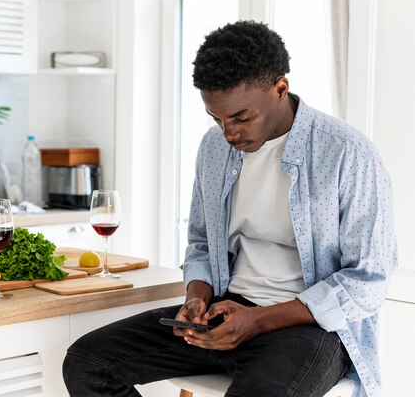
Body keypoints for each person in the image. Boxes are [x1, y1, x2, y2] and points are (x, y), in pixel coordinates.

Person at [62, 20, 397, 397]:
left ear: (280, 89)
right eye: (217, 118)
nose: (229, 133)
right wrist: (197, 299)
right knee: (87, 363)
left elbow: (368, 280)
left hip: (309, 327)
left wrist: (259, 320)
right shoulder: (214, 148)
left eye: (241, 117)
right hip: (225, 312)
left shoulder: (346, 153)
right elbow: (202, 241)